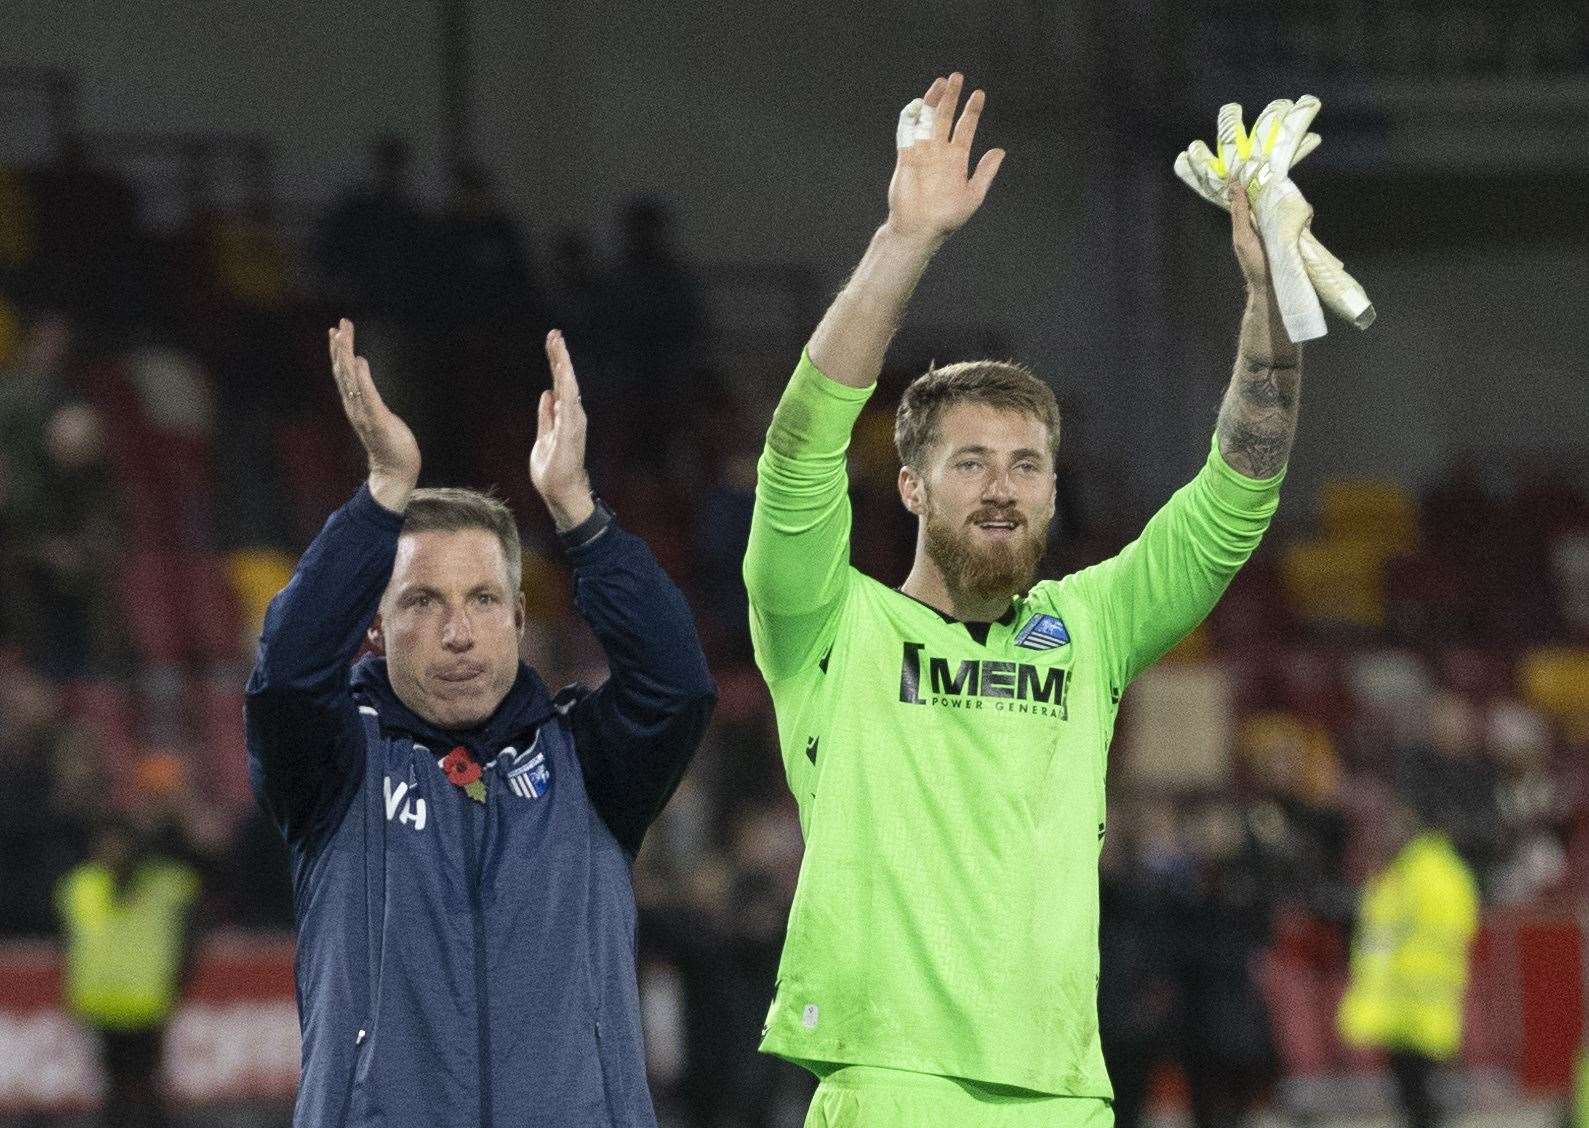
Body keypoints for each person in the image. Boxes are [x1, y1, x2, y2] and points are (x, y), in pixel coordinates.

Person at [743, 73, 1306, 1126]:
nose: (1001, 484)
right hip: (887, 1082)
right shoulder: (827, 623)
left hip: (1062, 1090)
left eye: (1025, 463)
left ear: (1053, 486)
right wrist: (902, 242)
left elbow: (1237, 492)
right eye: (968, 462)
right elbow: (796, 456)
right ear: (909, 485)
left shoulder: (1087, 628)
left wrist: (1267, 303)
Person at [246, 320, 715, 1127]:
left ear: (520, 617)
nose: (458, 633)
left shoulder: (587, 762)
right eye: (423, 603)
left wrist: (578, 510)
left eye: (483, 601)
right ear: (376, 628)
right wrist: (383, 492)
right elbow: (285, 679)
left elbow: (676, 685)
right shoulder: (335, 765)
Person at [1337, 804, 1480, 1128]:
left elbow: (1380, 927)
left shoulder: (1406, 874)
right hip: (1436, 990)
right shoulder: (1453, 872)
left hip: (1405, 992)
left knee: (1413, 1090)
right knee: (1426, 1085)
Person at [56, 814, 202, 1128]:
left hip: (146, 1005)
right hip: (98, 1005)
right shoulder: (80, 885)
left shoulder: (165, 884)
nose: (114, 852)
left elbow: (194, 923)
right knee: (115, 1092)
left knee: (147, 1090)